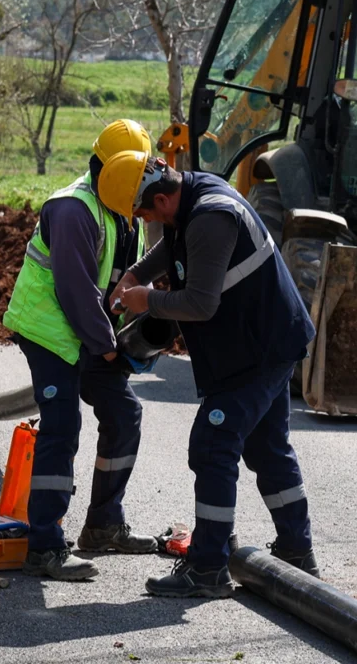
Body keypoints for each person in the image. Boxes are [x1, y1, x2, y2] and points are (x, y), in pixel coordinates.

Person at [100, 150, 318, 598]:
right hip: (264, 341)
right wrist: (137, 274)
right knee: (267, 447)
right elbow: (172, 247)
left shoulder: (211, 218)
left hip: (258, 350)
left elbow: (200, 303)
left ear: (161, 200)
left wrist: (146, 300)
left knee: (213, 444)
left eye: (143, 212)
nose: (144, 220)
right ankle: (297, 552)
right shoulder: (190, 195)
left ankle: (208, 567)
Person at [1, 120, 161, 581]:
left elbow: (118, 280)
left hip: (88, 333)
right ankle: (44, 545)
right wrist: (109, 349)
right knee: (62, 425)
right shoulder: (73, 209)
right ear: (107, 168)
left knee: (123, 414)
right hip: (49, 332)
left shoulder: (121, 209)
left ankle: (104, 524)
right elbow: (76, 293)